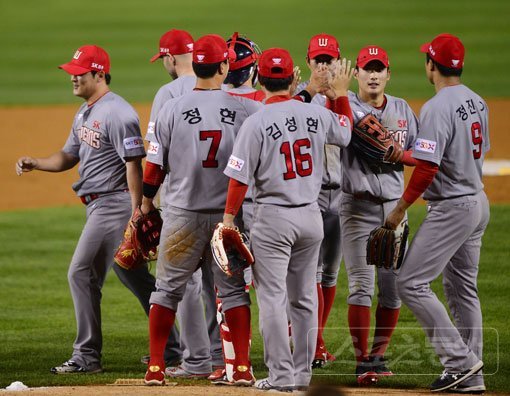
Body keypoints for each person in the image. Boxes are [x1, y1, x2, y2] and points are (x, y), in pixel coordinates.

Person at [222, 48, 353, 391]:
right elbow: (345, 133)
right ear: (291, 79)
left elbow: (239, 178)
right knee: (305, 298)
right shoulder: (315, 114)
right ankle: (303, 376)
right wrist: (339, 96)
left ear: (259, 79)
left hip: (273, 220)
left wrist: (228, 219)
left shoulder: (256, 122)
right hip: (311, 217)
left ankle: (281, 377)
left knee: (272, 299)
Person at [141, 34, 263, 387]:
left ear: (194, 66)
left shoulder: (170, 109)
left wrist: (147, 203)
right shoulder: (247, 110)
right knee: (233, 292)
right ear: (224, 67)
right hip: (228, 218)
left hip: (181, 215)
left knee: (166, 291)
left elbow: (153, 170)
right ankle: (240, 367)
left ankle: (156, 367)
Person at [15, 45, 146, 373]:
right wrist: (37, 163)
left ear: (99, 74)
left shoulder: (119, 113)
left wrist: (136, 211)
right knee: (133, 275)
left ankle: (87, 357)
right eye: (72, 71)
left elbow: (134, 163)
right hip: (99, 205)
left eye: (80, 72)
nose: (73, 77)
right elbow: (68, 155)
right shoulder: (86, 111)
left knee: (81, 273)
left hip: (113, 204)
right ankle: (175, 347)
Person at [384, 33, 489, 393]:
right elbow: (448, 154)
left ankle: (458, 361)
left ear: (431, 65)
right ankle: (470, 376)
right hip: (478, 202)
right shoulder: (477, 102)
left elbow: (428, 169)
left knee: (409, 282)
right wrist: (405, 155)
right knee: (462, 288)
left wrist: (399, 210)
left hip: (453, 208)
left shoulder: (436, 107)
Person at [145, 28, 223, 379]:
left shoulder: (168, 95)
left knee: (180, 285)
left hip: (181, 204)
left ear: (170, 58)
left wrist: (145, 202)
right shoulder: (230, 96)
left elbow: (155, 154)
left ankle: (193, 360)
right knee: (224, 286)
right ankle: (226, 358)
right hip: (225, 208)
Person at [340, 45, 419, 385]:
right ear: (356, 74)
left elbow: (422, 152)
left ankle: (379, 356)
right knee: (361, 287)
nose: (373, 75)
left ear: (389, 74)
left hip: (394, 208)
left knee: (392, 288)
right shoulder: (345, 108)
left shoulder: (402, 109)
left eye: (379, 68)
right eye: (366, 69)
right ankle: (362, 363)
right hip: (356, 206)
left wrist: (405, 155)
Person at [295, 33, 344, 369]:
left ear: (339, 63)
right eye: (318, 60)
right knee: (309, 275)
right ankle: (313, 343)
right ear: (309, 62)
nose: (324, 66)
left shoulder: (348, 101)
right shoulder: (301, 101)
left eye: (329, 60)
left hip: (342, 197)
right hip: (309, 197)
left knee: (329, 274)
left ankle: (318, 339)